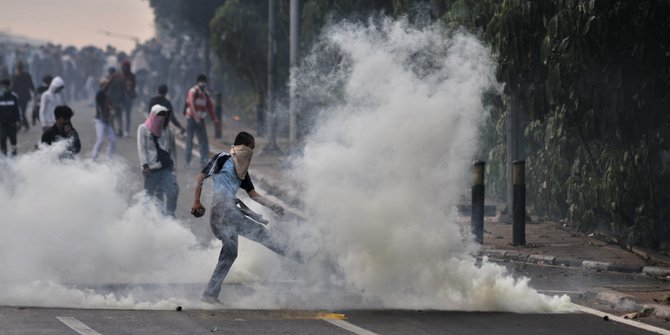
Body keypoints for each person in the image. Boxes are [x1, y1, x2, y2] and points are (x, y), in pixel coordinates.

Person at [191, 131, 298, 304]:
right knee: (263, 235)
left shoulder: (242, 171)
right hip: (222, 210)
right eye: (251, 148)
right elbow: (200, 177)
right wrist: (196, 202)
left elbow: (254, 195)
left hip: (228, 212)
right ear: (242, 147)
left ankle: (209, 294)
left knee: (230, 253)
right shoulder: (222, 158)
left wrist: (274, 206)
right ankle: (298, 256)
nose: (251, 152)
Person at [138, 104, 179, 216]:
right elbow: (142, 149)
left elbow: (173, 151)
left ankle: (169, 217)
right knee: (149, 197)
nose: (161, 118)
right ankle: (144, 219)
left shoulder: (168, 132)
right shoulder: (143, 129)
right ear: (152, 115)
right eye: (159, 115)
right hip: (151, 170)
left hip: (166, 169)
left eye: (164, 115)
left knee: (173, 192)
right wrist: (144, 165)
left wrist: (174, 170)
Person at [184, 74, 220, 168]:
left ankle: (203, 161)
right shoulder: (193, 91)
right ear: (198, 82)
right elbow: (191, 105)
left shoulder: (205, 94)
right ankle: (187, 162)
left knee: (203, 141)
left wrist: (215, 120)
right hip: (192, 119)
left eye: (204, 82)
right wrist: (196, 118)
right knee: (189, 140)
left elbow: (210, 108)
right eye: (202, 81)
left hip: (201, 120)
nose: (203, 83)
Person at [91, 80, 116, 160]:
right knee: (100, 140)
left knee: (113, 140)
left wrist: (113, 109)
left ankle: (110, 157)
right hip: (100, 122)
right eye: (105, 86)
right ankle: (94, 157)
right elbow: (103, 89)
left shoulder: (107, 97)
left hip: (107, 122)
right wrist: (112, 78)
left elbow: (112, 107)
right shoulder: (99, 95)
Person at [10, 62, 34, 132]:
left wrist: (34, 91)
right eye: (17, 68)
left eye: (19, 68)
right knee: (18, 112)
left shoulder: (26, 75)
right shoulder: (14, 76)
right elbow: (12, 87)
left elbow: (31, 84)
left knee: (23, 112)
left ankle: (25, 125)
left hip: (25, 97)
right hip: (17, 97)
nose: (18, 70)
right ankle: (21, 125)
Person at [0, 79, 21, 156]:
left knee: (13, 142)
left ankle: (14, 157)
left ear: (8, 87)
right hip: (2, 124)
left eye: (3, 86)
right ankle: (4, 157)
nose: (2, 88)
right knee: (2, 141)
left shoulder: (13, 97)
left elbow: (17, 110)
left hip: (12, 124)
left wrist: (18, 120)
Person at [104, 67, 126, 137]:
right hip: (119, 101)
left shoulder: (109, 81)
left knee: (111, 117)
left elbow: (107, 91)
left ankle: (113, 131)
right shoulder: (121, 80)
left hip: (112, 102)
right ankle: (120, 130)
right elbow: (123, 91)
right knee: (119, 117)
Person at [121, 60, 136, 137]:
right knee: (119, 114)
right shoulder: (120, 75)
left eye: (127, 66)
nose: (125, 68)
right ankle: (120, 129)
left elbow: (133, 86)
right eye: (124, 66)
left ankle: (127, 130)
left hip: (129, 96)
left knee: (127, 114)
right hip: (120, 96)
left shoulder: (132, 76)